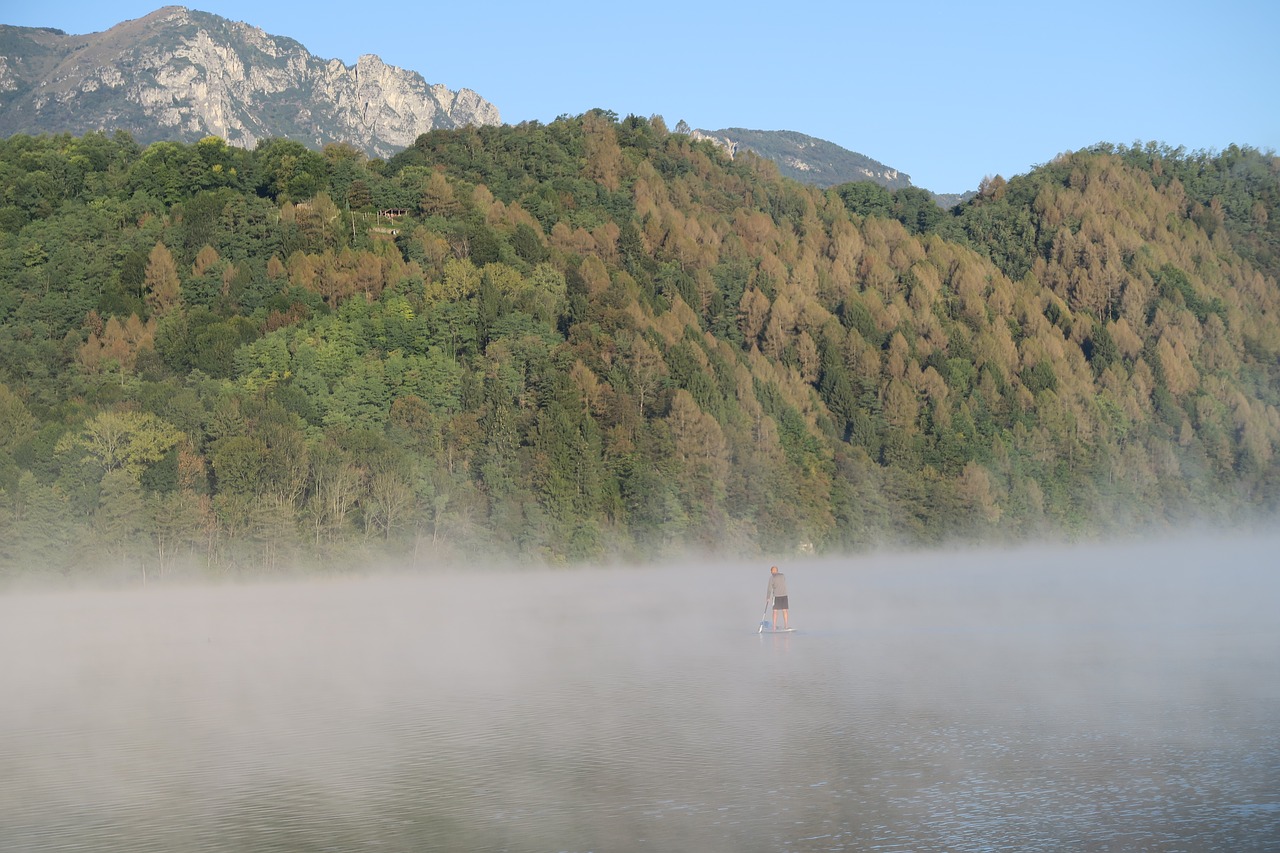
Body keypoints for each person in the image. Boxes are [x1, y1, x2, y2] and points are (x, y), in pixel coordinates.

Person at [765, 565, 790, 630]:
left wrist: (768, 597)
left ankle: (774, 627)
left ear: (772, 571)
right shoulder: (783, 576)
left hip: (776, 596)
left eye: (772, 571)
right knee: (785, 610)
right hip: (784, 595)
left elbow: (769, 589)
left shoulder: (772, 578)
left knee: (775, 611)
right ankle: (786, 626)